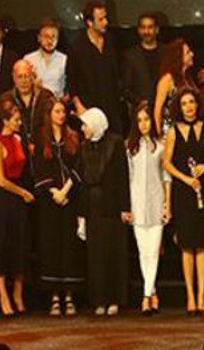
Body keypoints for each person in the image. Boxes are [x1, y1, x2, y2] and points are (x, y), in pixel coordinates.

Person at [162, 87, 204, 315]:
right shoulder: (173, 132)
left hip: (203, 189)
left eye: (191, 102)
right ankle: (190, 296)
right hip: (183, 193)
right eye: (184, 103)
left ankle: (202, 296)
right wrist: (185, 179)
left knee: (202, 244)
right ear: (179, 107)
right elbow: (166, 163)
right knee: (187, 245)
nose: (189, 107)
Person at [0, 97, 34, 317]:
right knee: (0, 246)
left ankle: (18, 293)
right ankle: (3, 295)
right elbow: (0, 180)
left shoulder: (19, 139)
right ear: (5, 120)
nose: (19, 123)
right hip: (3, 199)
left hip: (18, 198)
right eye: (16, 119)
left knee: (19, 244)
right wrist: (22, 192)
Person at [77, 108, 132, 316]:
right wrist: (81, 214)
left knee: (113, 254)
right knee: (96, 256)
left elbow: (122, 176)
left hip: (112, 206)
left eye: (85, 124)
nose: (83, 129)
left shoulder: (115, 143)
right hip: (93, 208)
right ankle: (99, 299)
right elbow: (82, 181)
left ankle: (115, 298)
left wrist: (125, 207)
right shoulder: (84, 147)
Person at [32, 99, 84, 317]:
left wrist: (66, 190)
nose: (61, 115)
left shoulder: (73, 137)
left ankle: (69, 295)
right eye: (57, 111)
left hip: (70, 198)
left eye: (63, 111)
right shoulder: (41, 138)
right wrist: (54, 191)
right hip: (50, 201)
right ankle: (54, 295)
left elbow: (79, 165)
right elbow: (39, 169)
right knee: (51, 245)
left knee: (69, 246)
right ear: (49, 114)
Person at [126, 102, 170, 316]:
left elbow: (166, 177)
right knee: (144, 252)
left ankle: (145, 295)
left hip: (156, 201)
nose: (143, 124)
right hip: (137, 204)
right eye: (139, 120)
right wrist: (127, 207)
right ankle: (151, 292)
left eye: (146, 119)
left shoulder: (160, 146)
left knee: (153, 251)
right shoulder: (130, 148)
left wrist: (167, 204)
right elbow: (128, 178)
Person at [67, 0, 124, 134]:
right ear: (89, 22)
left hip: (113, 109)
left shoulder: (112, 41)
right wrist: (79, 107)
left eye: (105, 18)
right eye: (101, 19)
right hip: (90, 112)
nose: (106, 22)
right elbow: (71, 81)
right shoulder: (77, 48)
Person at [0, 60, 55, 173]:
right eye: (20, 77)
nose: (23, 81)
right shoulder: (5, 100)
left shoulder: (46, 96)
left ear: (32, 77)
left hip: (43, 154)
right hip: (16, 157)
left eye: (26, 76)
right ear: (14, 78)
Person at [153, 38, 196, 135]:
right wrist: (159, 135)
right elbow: (157, 110)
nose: (192, 54)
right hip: (170, 132)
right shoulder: (167, 79)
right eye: (188, 52)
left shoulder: (188, 78)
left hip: (188, 131)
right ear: (178, 56)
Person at [122, 12, 163, 108]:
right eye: (143, 27)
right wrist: (139, 102)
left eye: (150, 27)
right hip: (140, 111)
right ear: (139, 30)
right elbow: (125, 87)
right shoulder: (130, 56)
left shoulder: (166, 52)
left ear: (157, 29)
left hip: (164, 108)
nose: (146, 31)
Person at [24, 18, 67, 99]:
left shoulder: (64, 60)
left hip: (57, 102)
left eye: (53, 37)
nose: (50, 41)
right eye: (46, 36)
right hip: (34, 103)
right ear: (39, 38)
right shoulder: (28, 59)